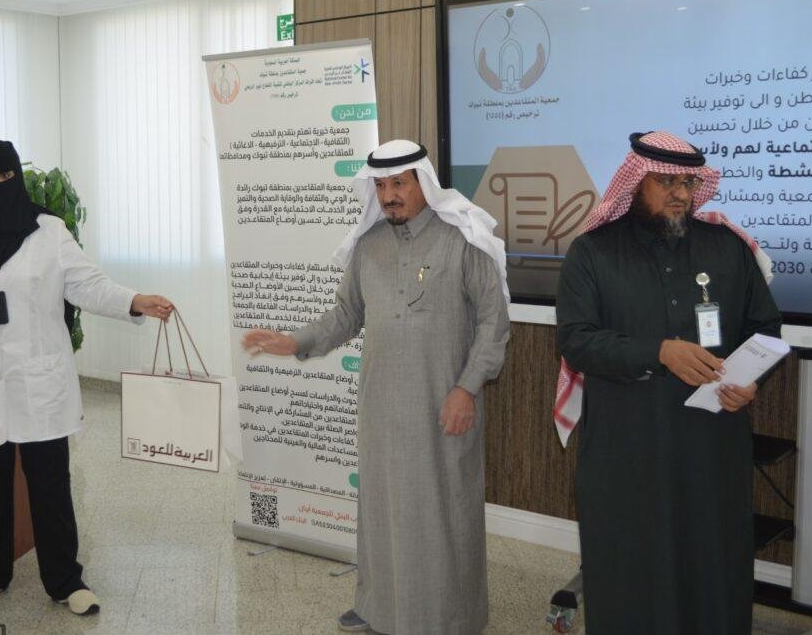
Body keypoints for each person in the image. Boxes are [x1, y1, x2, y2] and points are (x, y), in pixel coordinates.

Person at [243, 140, 510, 634]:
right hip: (383, 407)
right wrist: (294, 341)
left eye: (399, 183)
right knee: (383, 510)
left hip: (444, 403)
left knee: (444, 511)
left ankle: (452, 616)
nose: (389, 196)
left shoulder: (463, 240)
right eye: (381, 186)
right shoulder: (369, 245)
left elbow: (495, 324)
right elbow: (346, 314)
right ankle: (380, 606)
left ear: (423, 182)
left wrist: (467, 388)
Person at [0, 140, 173, 615]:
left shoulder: (48, 230)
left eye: (4, 178)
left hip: (39, 381)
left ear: (16, 177)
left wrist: (133, 300)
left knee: (50, 483)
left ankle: (65, 580)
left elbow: (86, 284)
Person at [553, 131, 781, 634]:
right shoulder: (593, 252)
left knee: (712, 556)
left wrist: (751, 379)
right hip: (628, 445)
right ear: (636, 183)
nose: (680, 193)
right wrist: (658, 352)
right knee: (631, 557)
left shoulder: (728, 249)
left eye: (687, 183)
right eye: (665, 182)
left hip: (712, 446)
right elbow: (575, 340)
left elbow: (764, 327)